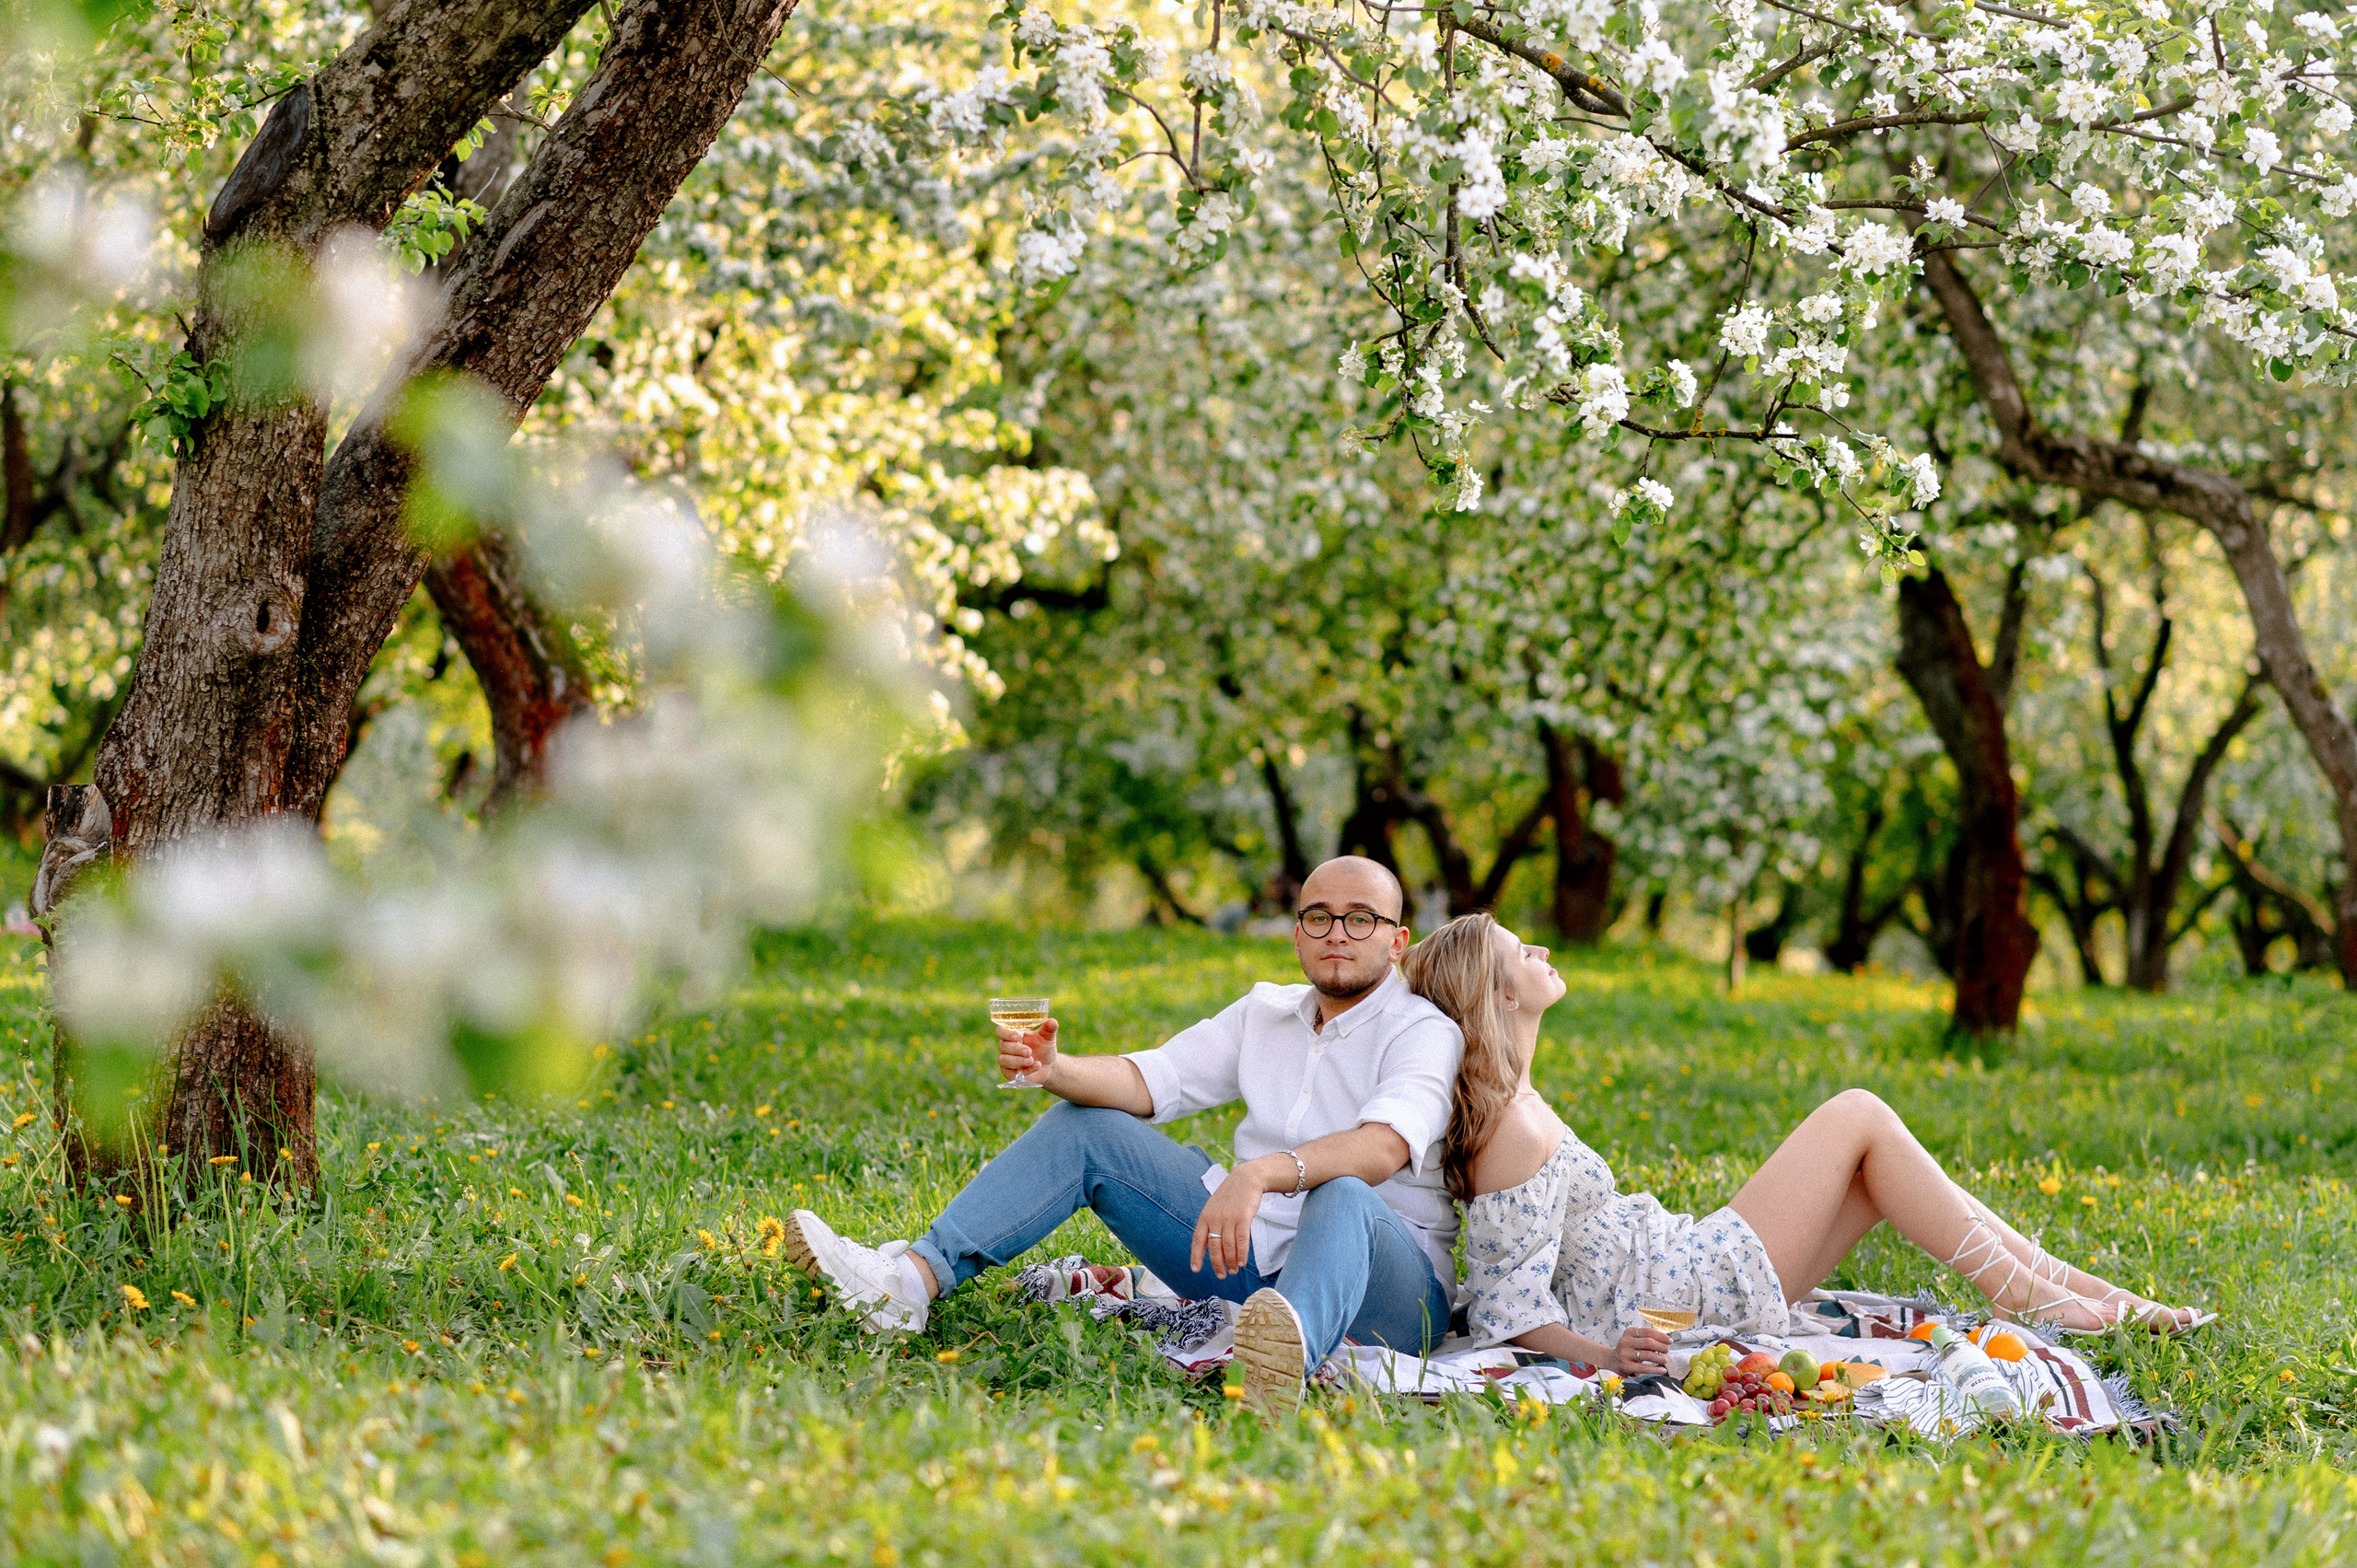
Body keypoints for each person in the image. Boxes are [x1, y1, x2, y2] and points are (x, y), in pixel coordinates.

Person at [783, 855, 1464, 1414]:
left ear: (1396, 939)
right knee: (1089, 1126)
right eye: (1319, 916)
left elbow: (1383, 1147)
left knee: (1338, 1189)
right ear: (1297, 933)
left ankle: (1281, 1369)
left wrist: (1258, 1172)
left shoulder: (1423, 1031)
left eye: (1361, 918)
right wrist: (1056, 1067)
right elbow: (1153, 1079)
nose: (1337, 932)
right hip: (1250, 1263)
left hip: (1389, 1296)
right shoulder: (1265, 1011)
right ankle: (908, 1283)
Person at [1404, 912, 2209, 1375]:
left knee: (1873, 1169)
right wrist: (1611, 1357)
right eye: (1521, 952)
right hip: (1679, 1290)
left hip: (1677, 1264)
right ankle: (2038, 1296)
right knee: (1857, 1112)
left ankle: (2083, 1295)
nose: (1541, 950)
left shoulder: (1519, 1100)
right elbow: (1509, 1304)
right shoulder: (1506, 1127)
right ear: (1498, 992)